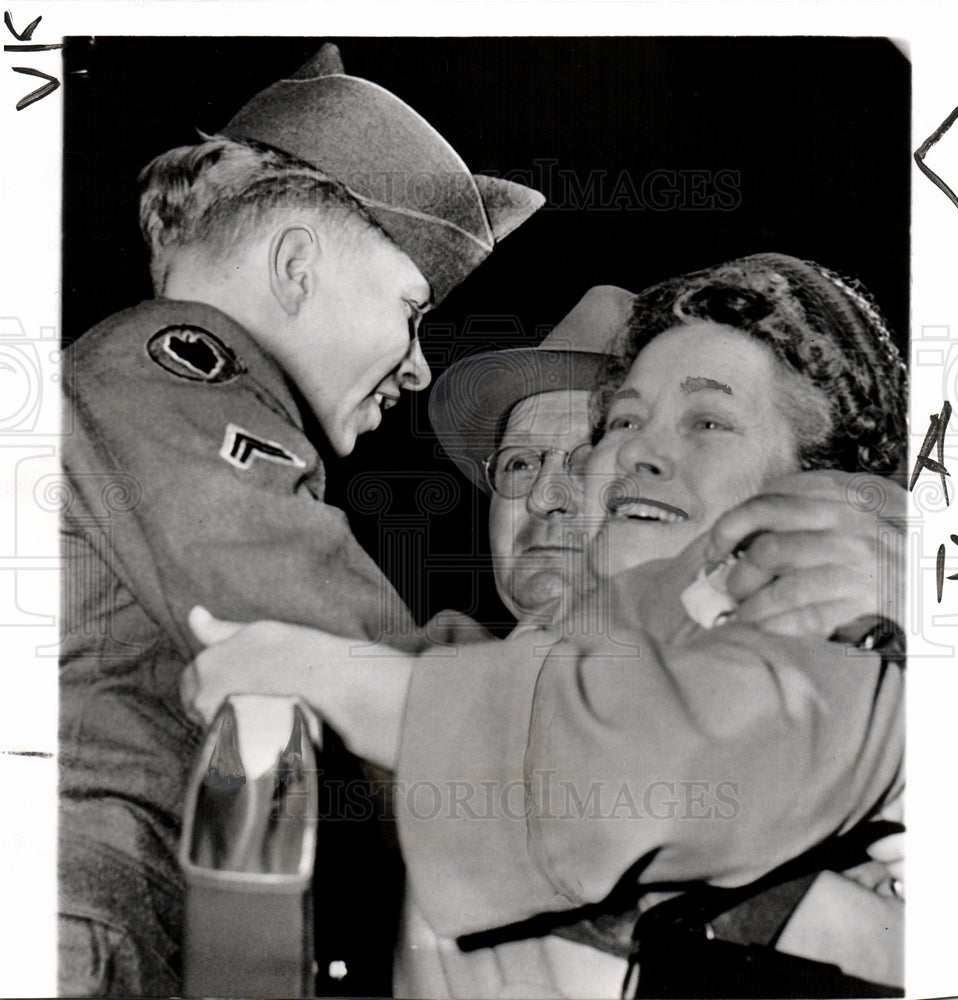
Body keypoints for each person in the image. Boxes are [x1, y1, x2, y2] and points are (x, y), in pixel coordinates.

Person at [186, 255, 907, 997]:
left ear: (816, 481)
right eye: (622, 420)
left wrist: (347, 685)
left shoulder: (841, 592)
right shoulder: (526, 652)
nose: (635, 452)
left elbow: (641, 765)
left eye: (710, 423)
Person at [59, 41, 543, 997]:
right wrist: (567, 714)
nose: (417, 368)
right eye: (411, 312)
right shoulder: (172, 370)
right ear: (293, 265)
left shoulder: (130, 387)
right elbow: (325, 631)